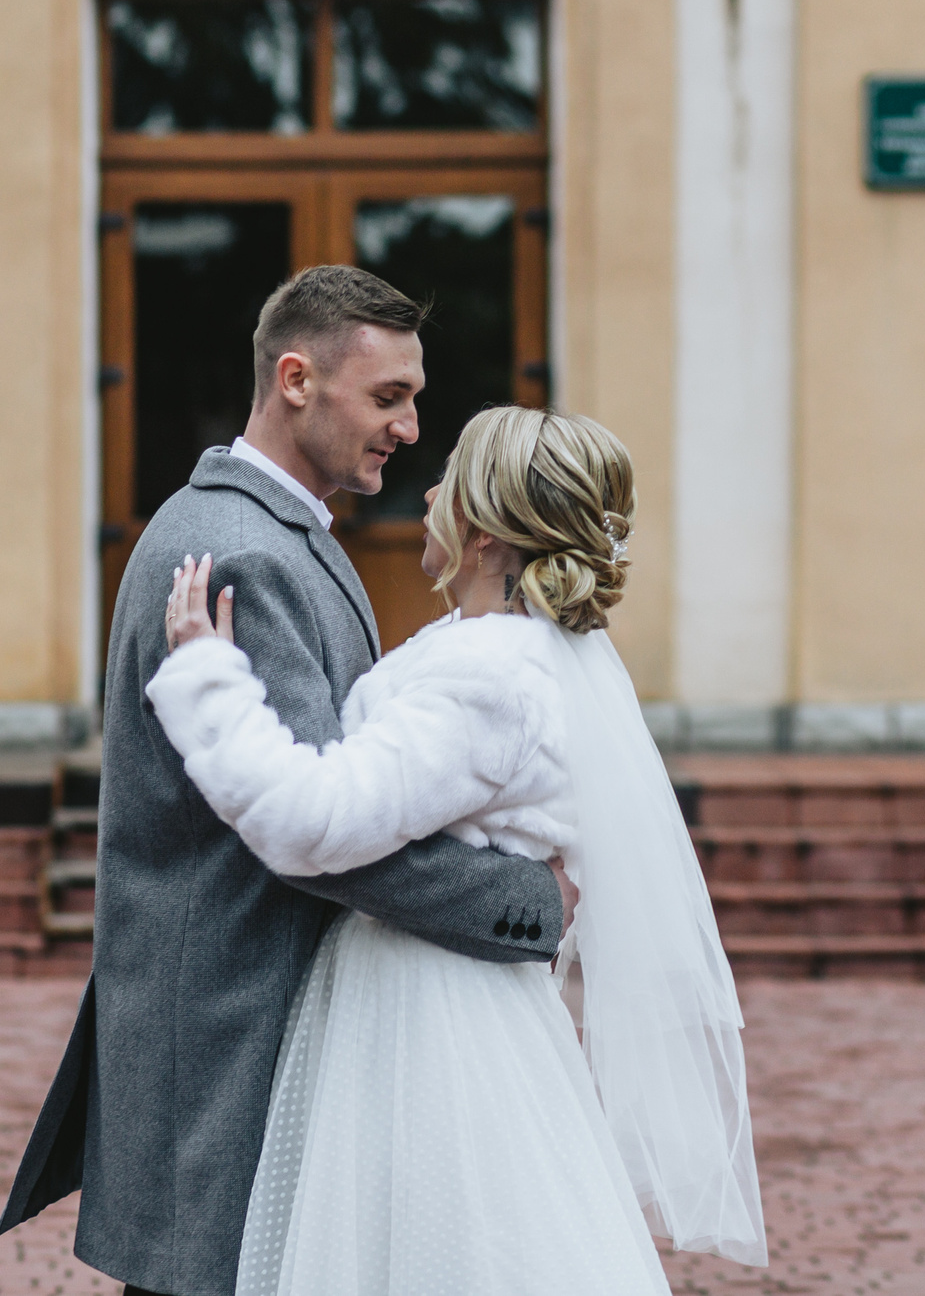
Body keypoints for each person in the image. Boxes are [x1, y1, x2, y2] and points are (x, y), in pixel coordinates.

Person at [0, 267, 568, 1296]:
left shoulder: (266, 531)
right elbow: (322, 838)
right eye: (387, 397)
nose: (408, 427)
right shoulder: (242, 553)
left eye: (413, 399)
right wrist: (528, 903)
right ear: (296, 379)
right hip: (234, 1035)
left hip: (230, 1022)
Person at [144, 406, 766, 1295]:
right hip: (453, 990)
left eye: (447, 481)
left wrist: (207, 678)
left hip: (430, 1013)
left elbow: (313, 821)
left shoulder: (489, 682)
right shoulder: (506, 655)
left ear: (479, 533)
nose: (426, 491)